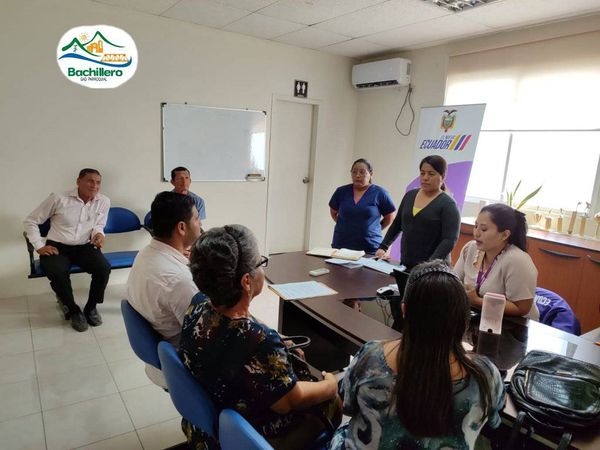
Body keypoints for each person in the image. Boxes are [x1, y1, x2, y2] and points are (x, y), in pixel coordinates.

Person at [179, 225, 341, 450]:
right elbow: (289, 401)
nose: (262, 269)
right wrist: (330, 386)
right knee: (333, 403)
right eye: (260, 263)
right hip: (246, 436)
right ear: (246, 281)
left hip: (208, 425)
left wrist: (275, 338)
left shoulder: (197, 306)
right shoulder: (259, 342)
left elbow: (242, 325)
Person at [329, 260, 505, 450]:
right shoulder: (486, 375)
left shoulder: (371, 357)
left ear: (404, 311)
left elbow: (347, 406)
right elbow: (494, 422)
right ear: (464, 319)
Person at [126, 191, 201, 387]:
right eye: (196, 218)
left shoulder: (145, 254)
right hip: (182, 367)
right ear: (181, 227)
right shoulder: (179, 281)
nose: (200, 223)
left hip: (160, 356)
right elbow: (208, 339)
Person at [24, 168, 111, 332]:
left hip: (84, 246)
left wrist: (99, 234)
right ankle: (73, 310)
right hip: (57, 247)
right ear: (78, 181)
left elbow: (99, 224)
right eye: (90, 181)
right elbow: (31, 221)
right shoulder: (58, 198)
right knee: (57, 272)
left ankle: (91, 307)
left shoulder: (104, 201)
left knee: (103, 268)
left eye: (98, 182)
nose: (94, 185)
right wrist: (39, 246)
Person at [454, 203, 539, 319]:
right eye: (476, 226)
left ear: (504, 235)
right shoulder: (470, 249)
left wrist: (477, 301)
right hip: (480, 316)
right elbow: (454, 282)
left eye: (483, 229)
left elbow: (521, 308)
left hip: (513, 323)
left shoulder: (517, 260)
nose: (476, 233)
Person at [375, 155, 461, 268]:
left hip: (433, 269)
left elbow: (449, 240)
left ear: (443, 176)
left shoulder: (448, 204)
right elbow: (397, 224)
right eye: (422, 173)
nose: (425, 178)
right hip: (407, 263)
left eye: (431, 174)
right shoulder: (410, 195)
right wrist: (383, 247)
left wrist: (428, 265)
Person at [329, 158, 396, 254]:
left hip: (369, 247)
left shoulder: (380, 193)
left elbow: (389, 218)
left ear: (371, 174)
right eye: (354, 172)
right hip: (341, 245)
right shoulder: (341, 191)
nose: (357, 175)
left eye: (362, 172)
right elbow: (333, 212)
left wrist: (373, 229)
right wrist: (346, 225)